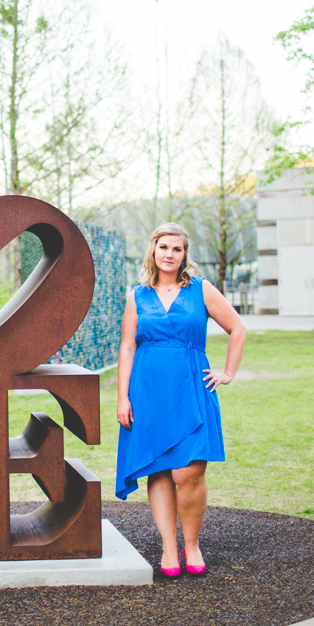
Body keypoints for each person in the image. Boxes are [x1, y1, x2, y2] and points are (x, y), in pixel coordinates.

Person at [115, 222, 246, 578]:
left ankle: (192, 544)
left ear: (185, 254)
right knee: (158, 469)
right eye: (164, 248)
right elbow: (128, 346)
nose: (170, 254)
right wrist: (123, 397)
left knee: (189, 471)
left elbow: (237, 328)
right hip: (149, 389)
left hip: (191, 386)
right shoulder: (137, 296)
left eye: (177, 249)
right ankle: (169, 548)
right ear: (153, 251)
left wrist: (228, 372)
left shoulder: (201, 290)